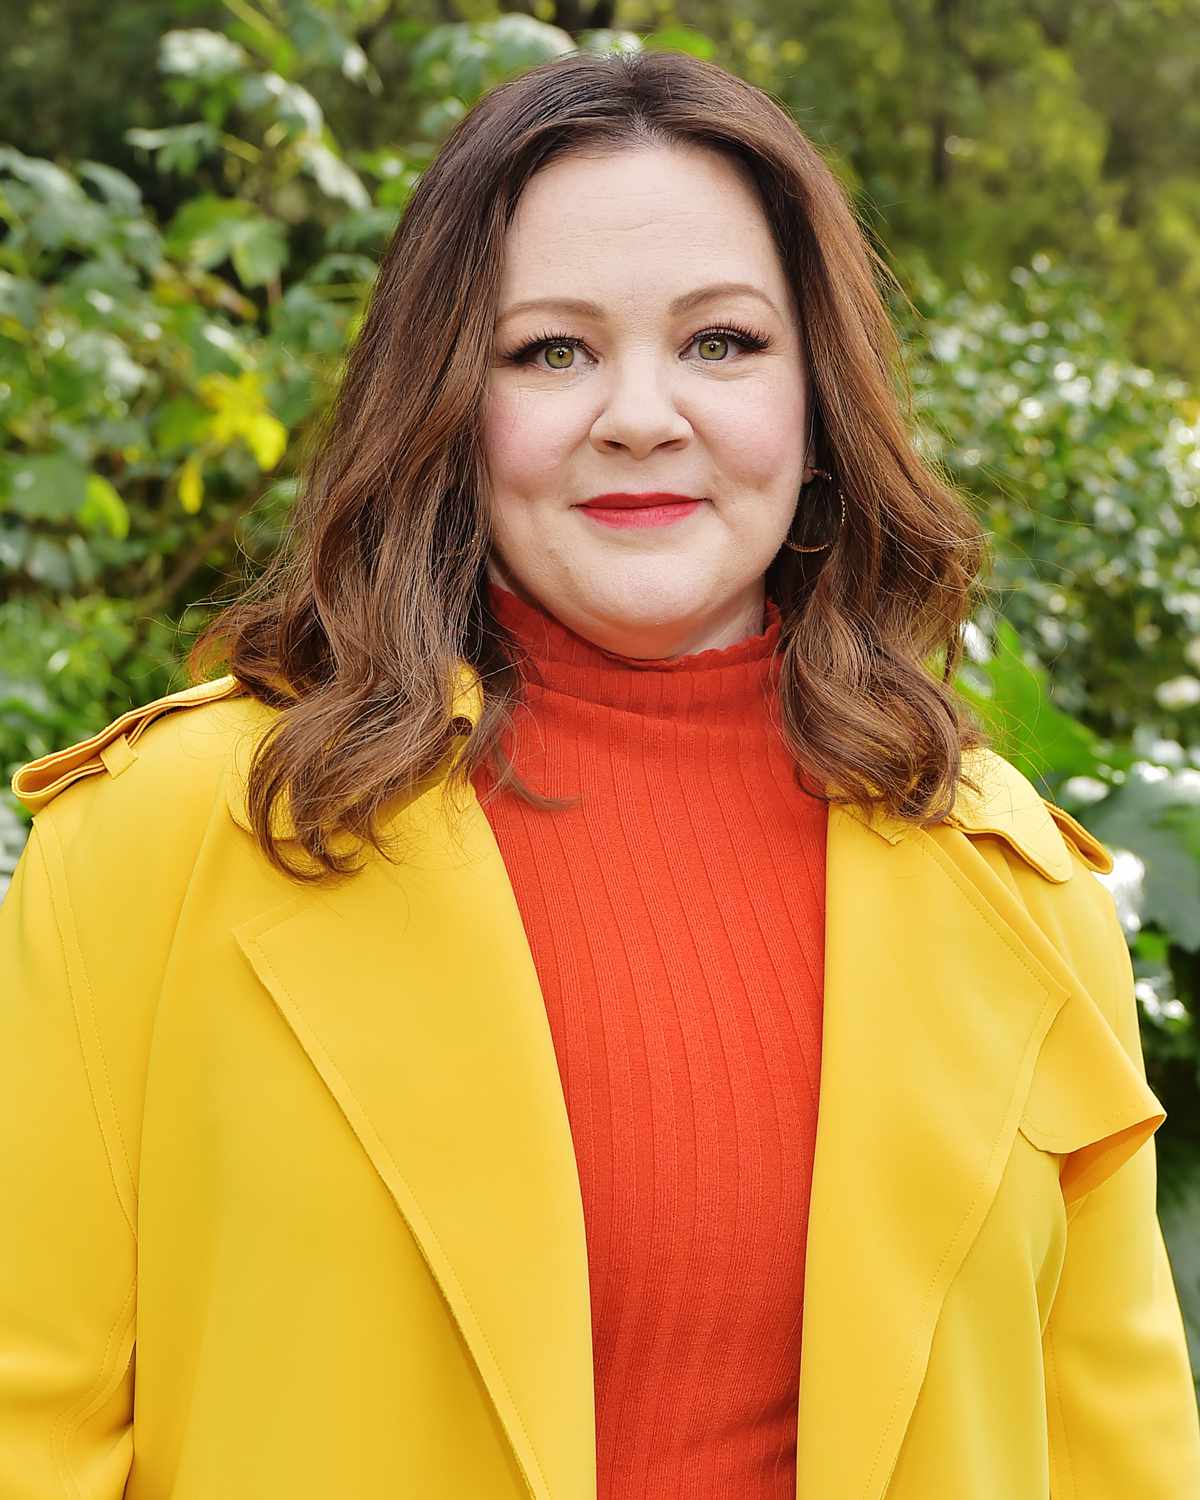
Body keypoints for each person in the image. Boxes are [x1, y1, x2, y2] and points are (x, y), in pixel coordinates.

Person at [2, 46, 1197, 1500]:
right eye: (550, 350)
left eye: (723, 343)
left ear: (819, 397)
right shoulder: (158, 846)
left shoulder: (1019, 887)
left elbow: (1120, 1464)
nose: (641, 415)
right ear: (449, 404)